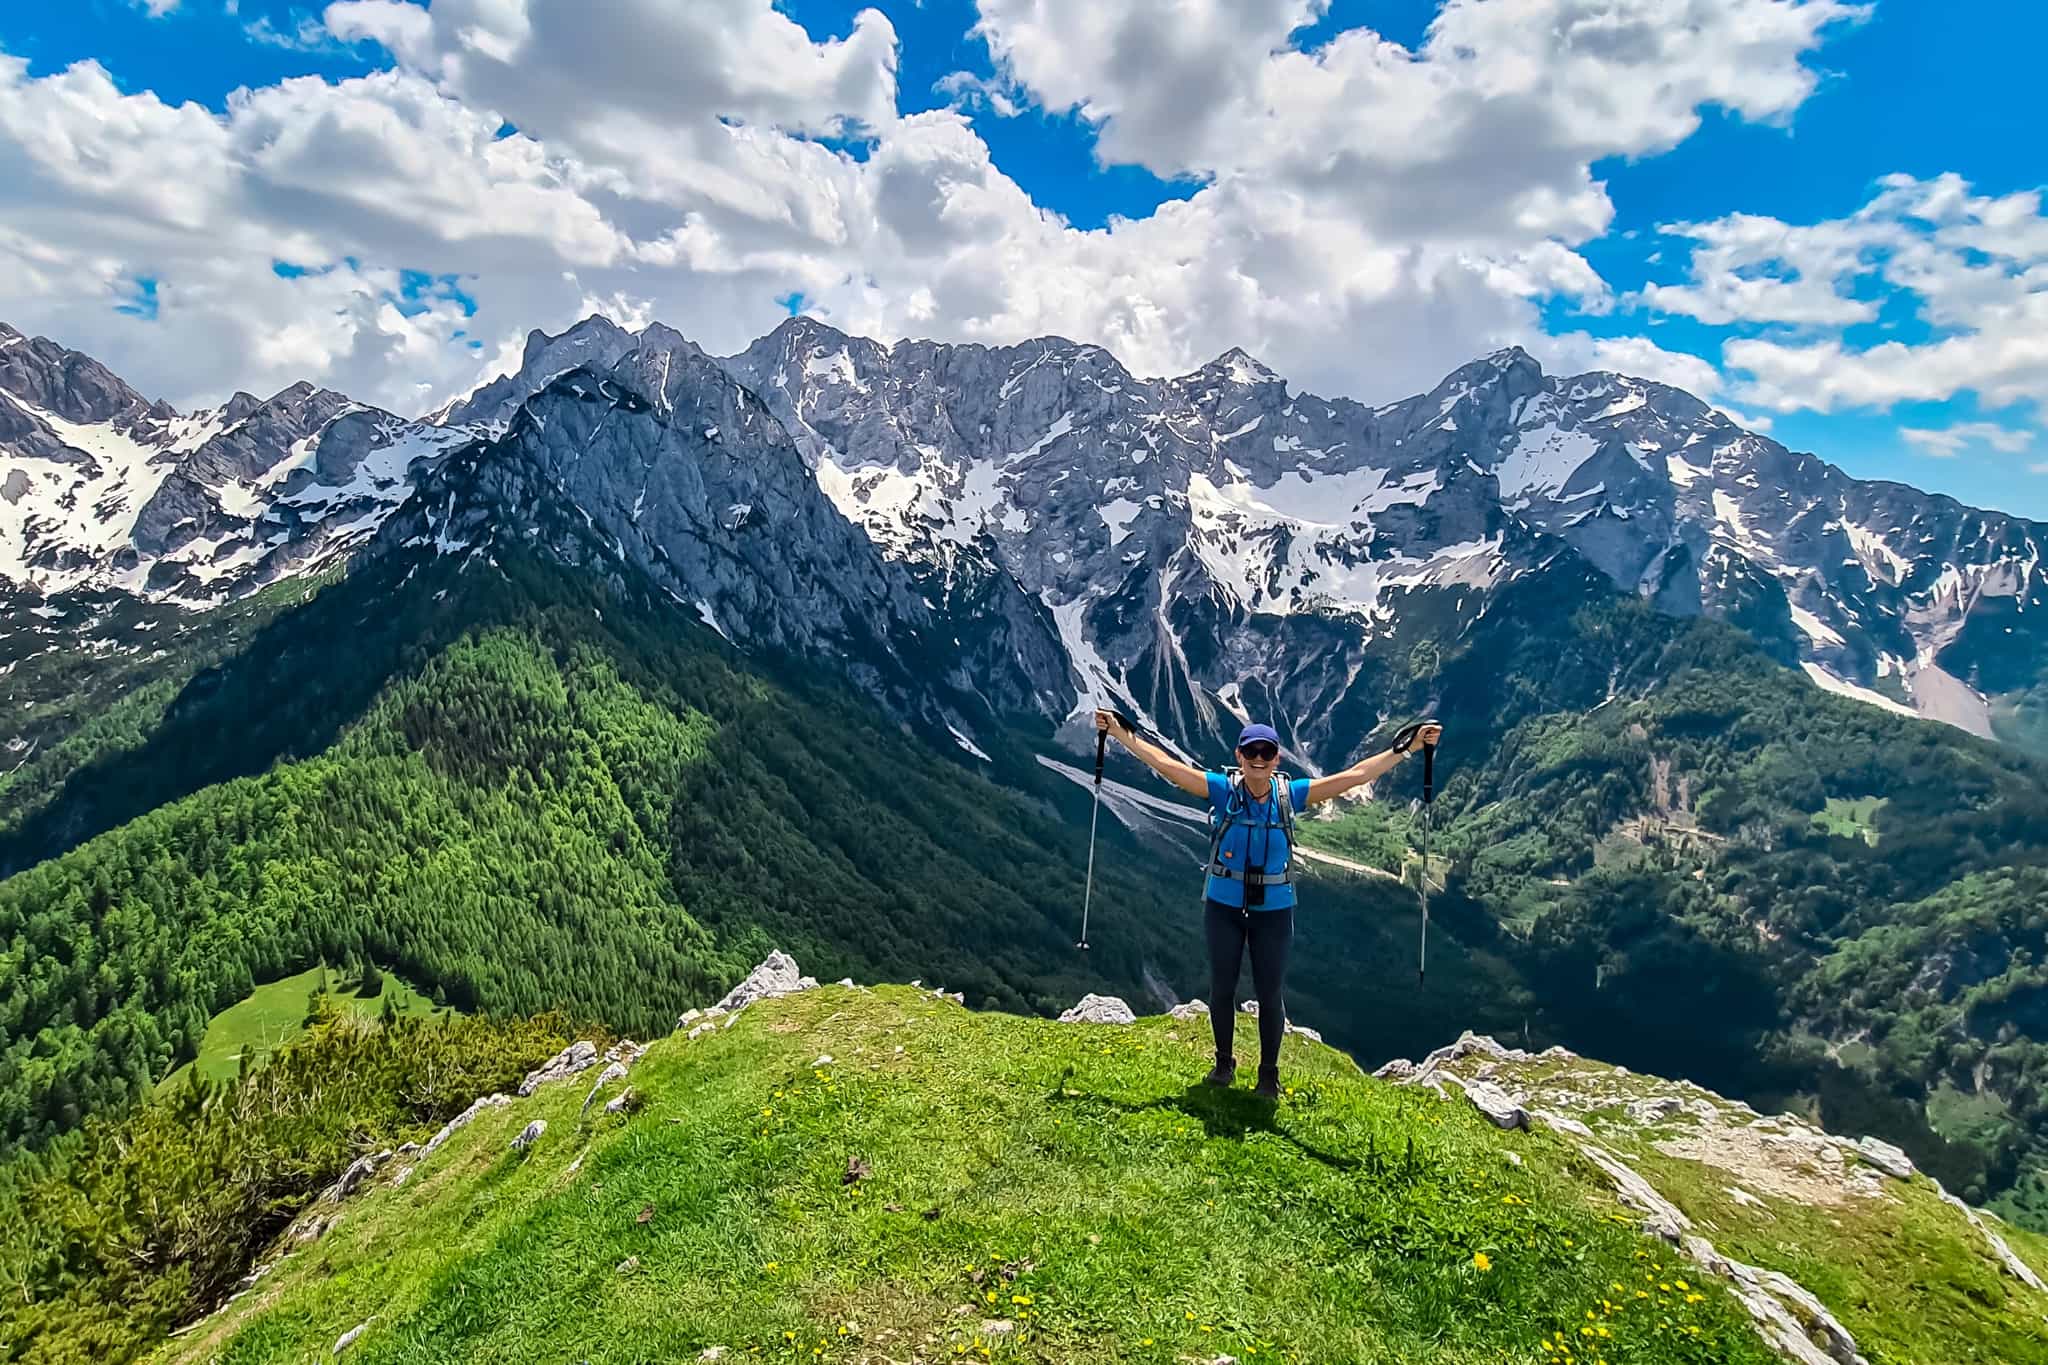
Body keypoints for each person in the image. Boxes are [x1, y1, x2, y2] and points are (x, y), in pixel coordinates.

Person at [1095, 710, 1443, 1100]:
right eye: (1251, 752)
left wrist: (1409, 747)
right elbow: (1167, 766)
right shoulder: (1224, 789)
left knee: (1269, 993)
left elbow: (1356, 776)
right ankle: (1224, 1064)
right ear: (1239, 755)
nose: (1258, 759)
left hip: (1272, 911)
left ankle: (1268, 1075)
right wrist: (1120, 732)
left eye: (1266, 752)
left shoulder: (1288, 794)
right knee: (1222, 987)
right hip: (1225, 906)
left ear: (1277, 758)